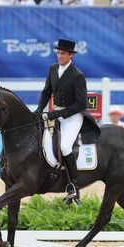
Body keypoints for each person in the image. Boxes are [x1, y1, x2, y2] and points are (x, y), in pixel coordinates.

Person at [33, 39, 100, 204]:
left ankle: (73, 186)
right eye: (58, 53)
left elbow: (81, 103)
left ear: (71, 55)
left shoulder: (78, 75)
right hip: (56, 113)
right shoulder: (53, 69)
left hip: (72, 116)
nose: (59, 56)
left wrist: (60, 113)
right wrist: (39, 110)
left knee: (64, 146)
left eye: (63, 53)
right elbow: (46, 92)